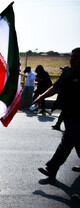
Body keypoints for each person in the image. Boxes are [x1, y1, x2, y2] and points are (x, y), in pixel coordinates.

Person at [34, 48, 80, 179]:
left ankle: (52, 168)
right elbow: (55, 88)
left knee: (67, 141)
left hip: (78, 116)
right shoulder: (67, 73)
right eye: (72, 56)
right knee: (78, 141)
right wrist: (41, 97)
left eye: (77, 56)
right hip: (68, 113)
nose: (73, 58)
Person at [50, 66, 69, 131]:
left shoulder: (68, 76)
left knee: (64, 114)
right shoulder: (64, 76)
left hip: (66, 98)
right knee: (63, 113)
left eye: (63, 70)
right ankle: (58, 125)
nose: (62, 71)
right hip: (62, 96)